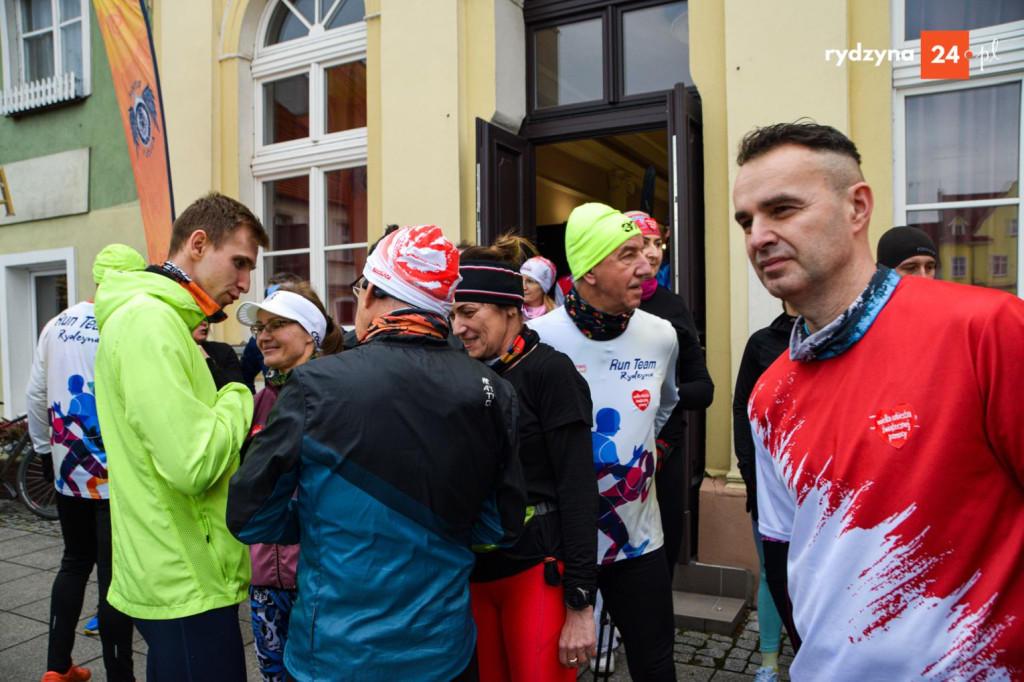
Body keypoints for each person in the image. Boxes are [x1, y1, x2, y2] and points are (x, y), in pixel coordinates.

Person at [733, 121, 1024, 680]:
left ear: (857, 207)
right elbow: (784, 551)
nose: (758, 236)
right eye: (747, 221)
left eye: (783, 209)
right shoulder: (769, 393)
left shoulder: (986, 329)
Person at [227, 225, 526, 682]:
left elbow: (248, 516)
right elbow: (499, 526)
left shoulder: (315, 385)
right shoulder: (492, 390)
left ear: (369, 294)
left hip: (338, 654)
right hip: (444, 651)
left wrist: (317, 520)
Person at [93, 192, 269, 682]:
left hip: (176, 570)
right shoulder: (151, 322)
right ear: (197, 243)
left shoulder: (161, 319)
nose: (244, 283)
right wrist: (237, 393)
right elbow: (192, 465)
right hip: (182, 578)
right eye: (238, 263)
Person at [529, 203, 680, 682]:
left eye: (644, 251)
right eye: (628, 254)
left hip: (639, 544)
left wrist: (642, 455)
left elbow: (664, 405)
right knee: (558, 669)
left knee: (656, 667)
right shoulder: (536, 338)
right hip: (556, 549)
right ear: (589, 271)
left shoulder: (661, 335)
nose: (645, 265)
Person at [451, 239, 598, 681]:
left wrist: (580, 604)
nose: (458, 326)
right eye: (453, 313)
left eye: (470, 312)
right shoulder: (462, 373)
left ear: (512, 311)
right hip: (476, 572)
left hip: (536, 569)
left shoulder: (550, 372)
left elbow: (577, 488)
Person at [26, 244, 144, 682]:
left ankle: (57, 668)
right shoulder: (125, 323)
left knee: (74, 562)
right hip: (116, 479)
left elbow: (36, 396)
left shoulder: (56, 324)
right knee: (116, 576)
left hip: (67, 472)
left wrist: (43, 451)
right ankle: (120, 675)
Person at [234, 282, 344, 682]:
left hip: (318, 579)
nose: (264, 335)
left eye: (277, 324)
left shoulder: (337, 397)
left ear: (311, 332)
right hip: (264, 579)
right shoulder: (261, 399)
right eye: (259, 327)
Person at [629, 211, 714, 576]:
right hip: (613, 447)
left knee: (664, 547)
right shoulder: (595, 308)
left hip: (665, 445)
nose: (650, 252)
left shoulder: (672, 306)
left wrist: (664, 394)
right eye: (639, 243)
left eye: (656, 243)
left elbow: (702, 387)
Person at [732, 301, 797, 682]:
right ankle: (769, 661)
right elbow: (742, 406)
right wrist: (747, 468)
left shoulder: (835, 335)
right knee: (773, 573)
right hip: (770, 484)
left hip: (817, 486)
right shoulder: (762, 343)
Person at [240, 272, 302, 392]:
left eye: (277, 324)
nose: (264, 337)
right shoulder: (257, 341)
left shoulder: (330, 336)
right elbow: (244, 377)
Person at [192, 318, 246, 387]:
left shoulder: (224, 350)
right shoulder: (176, 353)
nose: (205, 323)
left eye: (206, 319)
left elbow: (236, 388)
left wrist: (209, 362)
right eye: (197, 317)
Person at [520, 255, 559, 320]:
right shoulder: (512, 310)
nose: (523, 287)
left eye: (530, 281)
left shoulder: (556, 315)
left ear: (544, 287)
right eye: (520, 279)